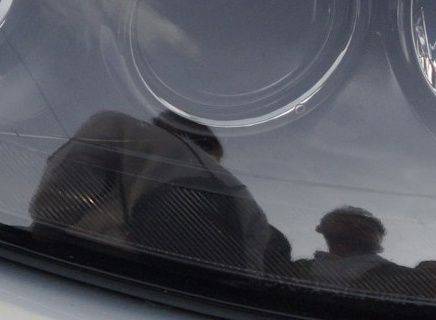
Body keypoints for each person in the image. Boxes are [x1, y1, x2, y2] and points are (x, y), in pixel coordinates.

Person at [30, 107, 273, 271]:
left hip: (81, 266)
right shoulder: (243, 197)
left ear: (160, 123)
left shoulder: (117, 127)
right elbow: (248, 273)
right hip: (195, 308)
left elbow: (51, 208)